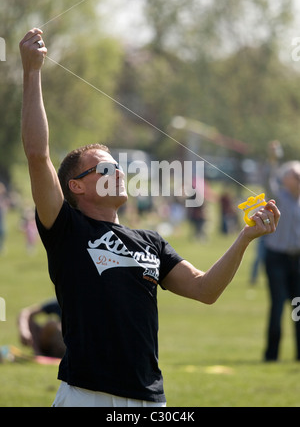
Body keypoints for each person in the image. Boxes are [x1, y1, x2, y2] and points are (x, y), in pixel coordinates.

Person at [19, 28, 280, 407]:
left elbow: (206, 290)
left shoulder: (151, 243)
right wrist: (31, 72)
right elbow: (37, 154)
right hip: (84, 396)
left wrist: (245, 237)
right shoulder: (66, 229)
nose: (119, 173)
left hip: (149, 400)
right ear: (76, 187)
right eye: (105, 170)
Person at [263, 157, 300, 361]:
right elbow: (269, 179)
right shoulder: (277, 196)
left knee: (298, 305)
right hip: (276, 258)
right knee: (277, 306)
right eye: (295, 175)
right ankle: (271, 355)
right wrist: (274, 159)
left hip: (298, 260)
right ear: (286, 179)